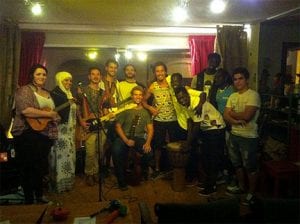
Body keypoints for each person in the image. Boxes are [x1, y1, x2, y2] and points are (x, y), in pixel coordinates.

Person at [12, 64, 59, 204]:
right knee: (28, 167)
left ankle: (39, 195)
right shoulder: (24, 90)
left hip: (45, 135)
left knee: (40, 167)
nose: (42, 77)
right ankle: (28, 199)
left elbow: (54, 113)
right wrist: (48, 114)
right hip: (26, 134)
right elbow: (25, 110)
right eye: (38, 74)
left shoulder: (48, 93)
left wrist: (55, 116)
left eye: (44, 74)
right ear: (32, 75)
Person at [174, 86, 226, 195]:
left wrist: (188, 143)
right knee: (206, 157)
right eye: (179, 98)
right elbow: (190, 122)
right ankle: (210, 182)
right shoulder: (184, 104)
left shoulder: (197, 103)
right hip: (207, 129)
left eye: (183, 97)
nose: (182, 100)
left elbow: (196, 126)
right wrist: (188, 140)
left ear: (187, 95)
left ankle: (212, 186)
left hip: (216, 129)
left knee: (212, 158)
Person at [224, 67, 261, 206]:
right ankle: (241, 187)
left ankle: (251, 193)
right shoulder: (233, 96)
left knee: (250, 166)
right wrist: (235, 121)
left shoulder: (253, 95)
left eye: (241, 78)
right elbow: (225, 115)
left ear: (246, 79)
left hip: (249, 137)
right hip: (234, 134)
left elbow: (247, 115)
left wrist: (232, 114)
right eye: (235, 79)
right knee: (237, 164)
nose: (238, 82)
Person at [111, 86, 153, 190]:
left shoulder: (145, 112)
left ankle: (140, 172)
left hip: (138, 137)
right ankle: (121, 182)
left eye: (140, 94)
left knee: (149, 153)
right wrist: (126, 140)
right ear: (132, 96)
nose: (138, 96)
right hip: (124, 137)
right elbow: (118, 126)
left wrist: (147, 143)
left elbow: (151, 129)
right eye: (135, 94)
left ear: (142, 96)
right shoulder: (126, 109)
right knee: (116, 150)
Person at [142, 61, 180, 177]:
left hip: (173, 119)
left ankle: (174, 168)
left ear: (166, 72)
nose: (160, 73)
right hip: (159, 120)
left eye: (162, 70)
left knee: (174, 145)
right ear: (155, 73)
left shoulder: (171, 83)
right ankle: (157, 168)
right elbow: (143, 101)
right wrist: (150, 108)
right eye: (157, 71)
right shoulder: (153, 86)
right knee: (157, 146)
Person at [77, 67, 107, 186]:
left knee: (99, 151)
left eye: (98, 74)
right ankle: (89, 173)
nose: (95, 76)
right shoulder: (82, 91)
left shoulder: (103, 93)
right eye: (93, 74)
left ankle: (96, 173)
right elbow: (77, 108)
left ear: (100, 77)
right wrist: (81, 122)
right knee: (90, 152)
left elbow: (105, 109)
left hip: (101, 124)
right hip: (88, 125)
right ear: (89, 76)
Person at [49, 71, 77, 193]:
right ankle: (58, 184)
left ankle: (67, 183)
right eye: (66, 80)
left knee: (69, 156)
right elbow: (51, 111)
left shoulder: (68, 94)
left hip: (70, 130)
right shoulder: (55, 94)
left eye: (70, 80)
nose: (69, 83)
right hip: (60, 129)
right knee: (60, 157)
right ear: (59, 80)